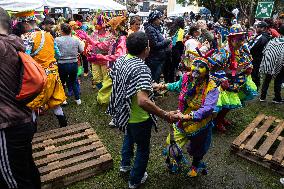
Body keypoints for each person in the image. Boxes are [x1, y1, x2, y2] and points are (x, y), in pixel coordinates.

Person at [106, 31, 181, 189]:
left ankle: (125, 165)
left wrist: (148, 85)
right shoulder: (141, 69)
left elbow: (119, 78)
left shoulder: (122, 60)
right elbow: (142, 101)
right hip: (139, 118)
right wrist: (165, 114)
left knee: (129, 137)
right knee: (142, 149)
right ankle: (135, 179)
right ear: (146, 48)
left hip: (124, 113)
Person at [155, 57, 219, 177]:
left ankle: (195, 166)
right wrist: (162, 86)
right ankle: (176, 160)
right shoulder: (186, 78)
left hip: (200, 125)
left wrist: (186, 117)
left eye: (201, 66)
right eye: (195, 65)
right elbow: (177, 85)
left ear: (207, 70)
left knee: (198, 148)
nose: (197, 69)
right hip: (181, 121)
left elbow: (208, 108)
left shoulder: (212, 87)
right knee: (172, 143)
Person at [0, 7, 41, 189]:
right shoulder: (14, 44)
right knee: (26, 170)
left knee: (13, 180)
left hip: (8, 125)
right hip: (23, 117)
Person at [13, 10, 67, 127]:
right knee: (55, 99)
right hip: (53, 73)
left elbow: (25, 59)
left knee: (33, 103)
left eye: (21, 25)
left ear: (26, 24)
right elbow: (58, 54)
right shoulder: (48, 35)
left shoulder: (26, 37)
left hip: (39, 77)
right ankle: (63, 124)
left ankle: (32, 130)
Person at [55, 23, 84, 105]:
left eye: (60, 29)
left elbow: (54, 52)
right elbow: (81, 50)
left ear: (62, 31)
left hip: (62, 64)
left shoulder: (57, 40)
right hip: (73, 63)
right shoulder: (76, 39)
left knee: (62, 82)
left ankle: (63, 100)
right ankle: (78, 99)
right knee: (74, 81)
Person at [259, 24, 284, 103]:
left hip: (269, 63)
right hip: (280, 64)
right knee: (278, 81)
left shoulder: (273, 40)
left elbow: (265, 50)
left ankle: (262, 97)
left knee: (267, 79)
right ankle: (277, 98)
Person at [144, 10, 171, 83]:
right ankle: (153, 92)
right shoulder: (150, 29)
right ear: (155, 19)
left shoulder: (154, 28)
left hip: (158, 58)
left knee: (156, 77)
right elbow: (154, 45)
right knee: (154, 77)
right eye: (159, 19)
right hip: (154, 59)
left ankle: (154, 91)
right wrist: (166, 41)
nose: (160, 21)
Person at [249, 21, 271, 89]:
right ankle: (256, 87)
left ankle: (254, 89)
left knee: (254, 75)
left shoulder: (262, 37)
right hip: (260, 58)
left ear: (263, 28)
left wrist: (247, 47)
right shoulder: (264, 36)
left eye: (258, 27)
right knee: (256, 75)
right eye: (256, 27)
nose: (256, 28)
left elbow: (252, 48)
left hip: (256, 59)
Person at [166, 17, 185, 83]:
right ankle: (177, 82)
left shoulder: (173, 29)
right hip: (177, 51)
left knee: (171, 67)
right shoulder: (181, 30)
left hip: (171, 50)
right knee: (177, 67)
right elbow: (179, 42)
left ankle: (170, 81)